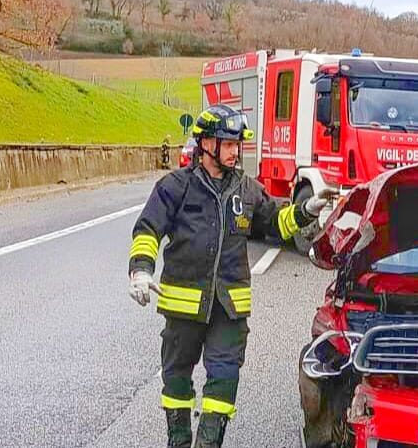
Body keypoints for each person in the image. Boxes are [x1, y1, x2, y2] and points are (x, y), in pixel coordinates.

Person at [126, 104, 337, 448]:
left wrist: (306, 211)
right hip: (183, 307)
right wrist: (140, 269)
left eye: (238, 144)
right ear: (206, 144)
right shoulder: (175, 187)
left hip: (229, 310)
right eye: (227, 143)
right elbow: (148, 229)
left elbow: (275, 224)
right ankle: (178, 441)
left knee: (223, 383)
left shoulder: (247, 189)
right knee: (177, 380)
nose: (235, 151)